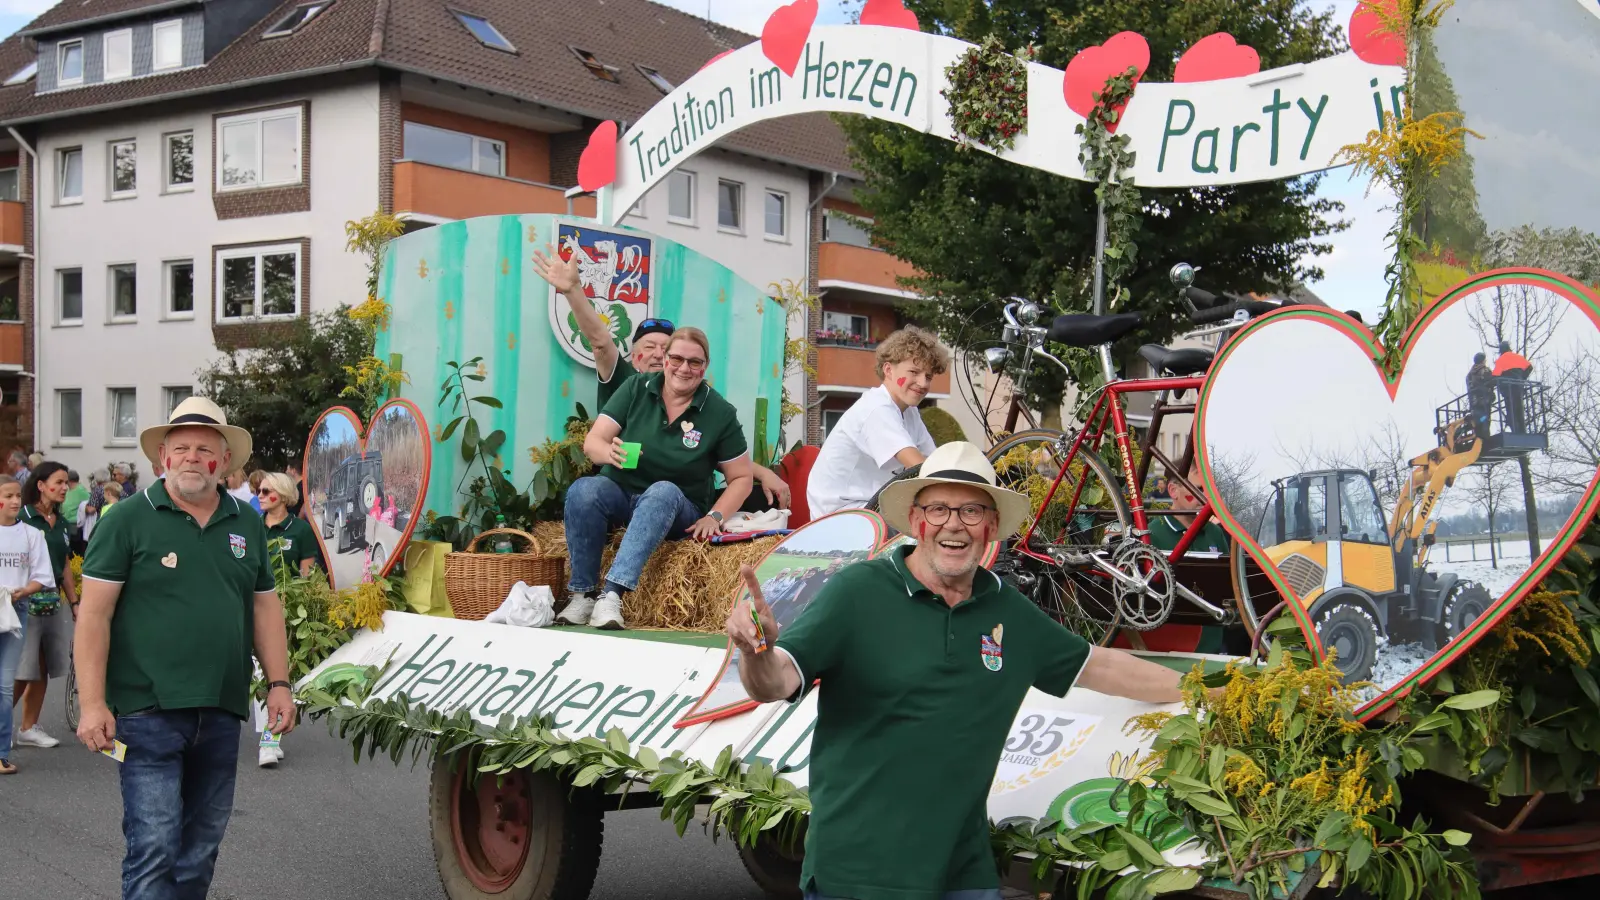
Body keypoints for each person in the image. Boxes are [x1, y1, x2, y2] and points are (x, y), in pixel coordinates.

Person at [727, 441, 1189, 900]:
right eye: (939, 509)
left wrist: (1204, 691)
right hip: (857, 873)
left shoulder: (1008, 611)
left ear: (991, 527)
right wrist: (756, 653)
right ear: (916, 520)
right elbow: (778, 680)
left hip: (963, 875)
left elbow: (1099, 666)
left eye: (971, 511)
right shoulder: (857, 593)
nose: (954, 525)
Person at [75, 397, 294, 899]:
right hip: (146, 711)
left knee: (200, 850)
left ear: (224, 461)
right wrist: (92, 703)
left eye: (204, 449)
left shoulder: (247, 522)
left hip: (220, 710)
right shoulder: (126, 519)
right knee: (152, 849)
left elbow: (264, 608)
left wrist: (279, 685)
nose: (192, 458)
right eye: (181, 449)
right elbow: (93, 616)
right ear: (163, 460)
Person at [534, 243, 792, 510]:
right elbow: (599, 340)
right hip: (629, 492)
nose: (660, 355)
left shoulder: (705, 402)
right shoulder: (626, 381)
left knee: (762, 501)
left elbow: (709, 450)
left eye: (668, 350)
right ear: (635, 357)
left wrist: (762, 473)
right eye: (650, 347)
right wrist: (573, 291)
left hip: (682, 499)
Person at [561, 327, 754, 629]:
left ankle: (611, 595)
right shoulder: (636, 387)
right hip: (622, 494)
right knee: (584, 490)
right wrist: (607, 453)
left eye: (694, 362)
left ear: (705, 367)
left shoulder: (720, 412)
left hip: (678, 506)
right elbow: (593, 442)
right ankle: (582, 595)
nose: (684, 368)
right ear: (665, 359)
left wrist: (715, 516)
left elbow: (742, 477)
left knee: (662, 491)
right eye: (677, 358)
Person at [807, 327, 946, 518]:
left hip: (869, 506)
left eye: (928, 376)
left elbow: (934, 462)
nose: (922, 383)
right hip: (841, 515)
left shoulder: (909, 411)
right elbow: (920, 466)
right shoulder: (877, 409)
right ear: (888, 370)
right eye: (914, 372)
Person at [13, 461, 79, 749]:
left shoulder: (60, 521)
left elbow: (64, 562)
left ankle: (29, 727)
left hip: (52, 600)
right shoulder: (22, 518)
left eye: (67, 483)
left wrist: (74, 601)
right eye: (59, 482)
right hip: (25, 599)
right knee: (20, 668)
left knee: (43, 665)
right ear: (41, 485)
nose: (65, 488)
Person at [255, 472, 317, 769]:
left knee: (279, 677)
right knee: (258, 677)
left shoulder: (301, 531)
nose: (260, 495)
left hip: (290, 613)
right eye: (259, 490)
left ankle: (270, 738)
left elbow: (307, 576)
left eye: (267, 491)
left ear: (283, 495)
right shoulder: (252, 527)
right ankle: (268, 739)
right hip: (255, 609)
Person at [0, 474, 55, 774]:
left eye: (17, 496)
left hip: (16, 609)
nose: (13, 502)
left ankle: (1, 753)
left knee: (4, 684)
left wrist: (23, 591)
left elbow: (42, 576)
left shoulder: (31, 535)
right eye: (7, 496)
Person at [1149, 467, 1228, 553]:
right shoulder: (1152, 534)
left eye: (1209, 489)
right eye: (1199, 489)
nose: (1206, 496)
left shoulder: (1215, 532)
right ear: (1173, 490)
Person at [1493, 341, 1533, 433]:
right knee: (1519, 409)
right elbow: (1530, 367)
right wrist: (1522, 378)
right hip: (1519, 386)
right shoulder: (1518, 357)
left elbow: (1495, 376)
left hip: (1508, 389)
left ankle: (1515, 431)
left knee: (1511, 410)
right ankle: (1523, 431)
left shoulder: (1501, 360)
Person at [1465, 351, 1494, 437]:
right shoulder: (1485, 370)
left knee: (1478, 420)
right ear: (1483, 360)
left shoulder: (1469, 375)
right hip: (1484, 400)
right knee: (1486, 418)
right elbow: (1491, 382)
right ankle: (1485, 438)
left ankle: (1479, 437)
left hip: (1473, 402)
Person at [63, 469, 88, 553]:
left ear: (69, 480)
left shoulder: (81, 491)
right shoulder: (68, 491)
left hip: (75, 527)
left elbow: (88, 506)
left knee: (75, 551)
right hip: (66, 525)